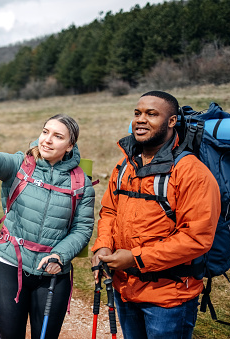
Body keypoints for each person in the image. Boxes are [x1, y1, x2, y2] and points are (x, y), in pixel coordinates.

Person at [0, 112, 95, 339]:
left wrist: (60, 255)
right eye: (45, 132)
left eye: (58, 136)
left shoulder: (82, 184)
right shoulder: (20, 165)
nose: (47, 140)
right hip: (10, 266)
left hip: (52, 273)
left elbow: (82, 228)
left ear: (70, 146)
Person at [91, 91, 221, 339]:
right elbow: (109, 211)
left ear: (171, 121)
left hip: (169, 298)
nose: (141, 119)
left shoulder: (191, 172)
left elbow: (197, 238)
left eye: (152, 114)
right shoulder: (125, 165)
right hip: (125, 288)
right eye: (137, 113)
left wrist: (135, 258)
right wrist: (103, 247)